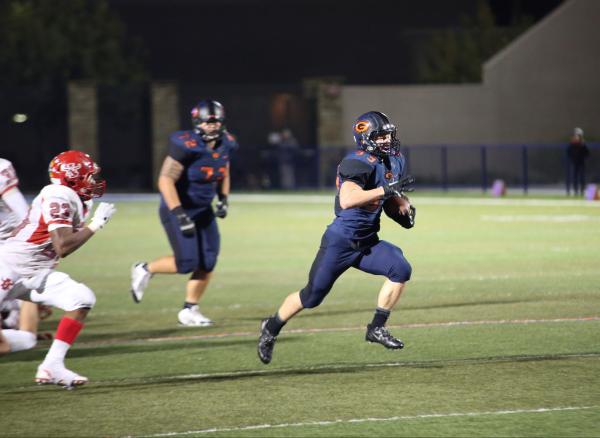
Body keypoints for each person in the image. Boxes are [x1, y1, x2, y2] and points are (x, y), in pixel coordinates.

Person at [257, 111, 416, 364]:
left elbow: (389, 197)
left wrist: (401, 205)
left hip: (367, 242)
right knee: (312, 297)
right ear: (364, 138)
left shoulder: (395, 159)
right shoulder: (356, 162)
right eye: (380, 136)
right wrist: (386, 190)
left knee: (401, 268)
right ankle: (271, 327)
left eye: (388, 135)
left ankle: (376, 327)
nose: (387, 141)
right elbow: (349, 199)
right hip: (340, 242)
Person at [0, 150, 116, 387]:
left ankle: (52, 366)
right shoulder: (58, 194)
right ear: (72, 177)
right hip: (8, 266)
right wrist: (96, 226)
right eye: (88, 176)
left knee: (82, 299)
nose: (93, 181)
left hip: (35, 273)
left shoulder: (80, 199)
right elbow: (63, 245)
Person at [130, 100, 238, 326]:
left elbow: (224, 170)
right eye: (208, 122)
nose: (212, 126)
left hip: (203, 210)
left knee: (208, 261)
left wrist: (224, 198)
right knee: (187, 262)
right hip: (178, 207)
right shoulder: (186, 145)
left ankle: (190, 309)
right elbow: (165, 179)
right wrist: (179, 213)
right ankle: (145, 269)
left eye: (216, 121)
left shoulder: (226, 143)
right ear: (197, 122)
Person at [0, 158, 48, 354]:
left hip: (10, 249)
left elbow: (23, 215)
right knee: (26, 336)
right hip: (13, 252)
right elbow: (24, 214)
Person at [566, 127, 590, 196]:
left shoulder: (583, 144)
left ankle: (582, 191)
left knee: (582, 177)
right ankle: (575, 191)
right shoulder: (572, 144)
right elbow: (568, 152)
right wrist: (572, 158)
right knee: (574, 177)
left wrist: (583, 157)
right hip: (574, 163)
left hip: (581, 163)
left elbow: (587, 153)